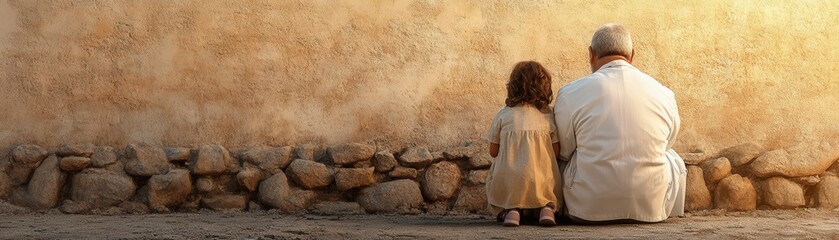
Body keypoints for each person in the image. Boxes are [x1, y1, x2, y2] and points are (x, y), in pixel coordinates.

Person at [553, 23, 686, 223]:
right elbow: (667, 144)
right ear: (632, 55)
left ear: (591, 54)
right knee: (672, 157)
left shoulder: (571, 92)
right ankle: (663, 210)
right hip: (649, 208)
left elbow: (564, 150)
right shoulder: (664, 93)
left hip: (586, 209)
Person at [485, 61, 563, 227]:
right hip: (541, 180)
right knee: (547, 181)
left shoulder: (503, 114)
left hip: (510, 180)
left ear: (513, 86)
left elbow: (493, 151)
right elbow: (556, 152)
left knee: (508, 182)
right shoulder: (548, 115)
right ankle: (547, 210)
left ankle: (512, 212)